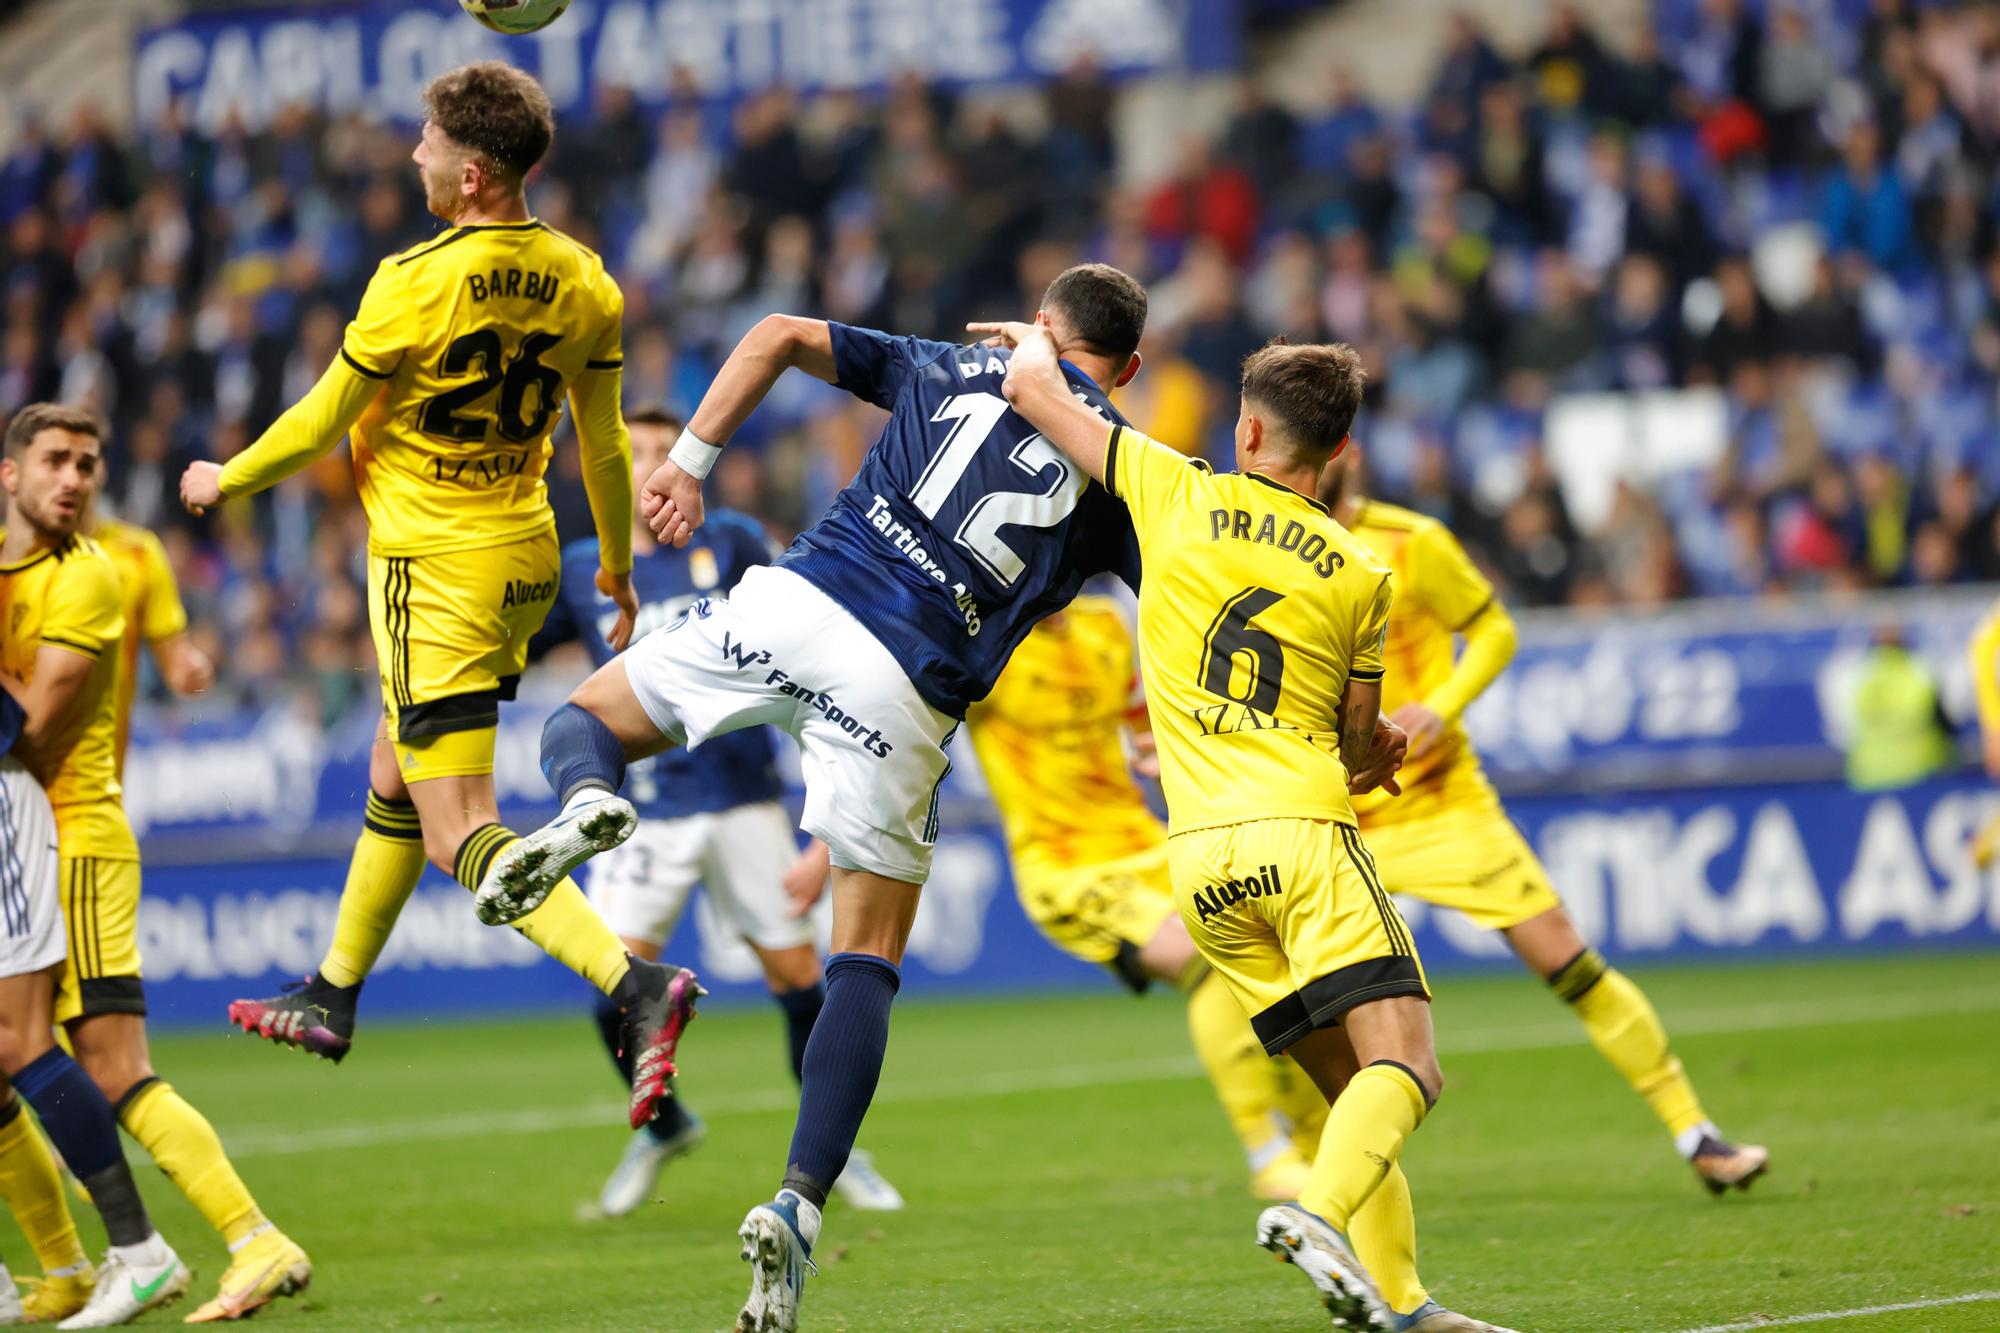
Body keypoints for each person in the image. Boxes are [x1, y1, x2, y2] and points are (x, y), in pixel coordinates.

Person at [496, 264, 1152, 1333]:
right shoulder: (1121, 465)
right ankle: (799, 1202)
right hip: (903, 690)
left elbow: (773, 333)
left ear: (1037, 324)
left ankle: (586, 805)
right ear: (1124, 368)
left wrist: (692, 465)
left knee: (586, 720)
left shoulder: (957, 363)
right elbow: (1177, 585)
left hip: (803, 600)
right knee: (862, 958)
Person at [178, 63, 701, 1134]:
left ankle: (633, 985)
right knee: (395, 766)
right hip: (522, 556)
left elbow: (326, 419)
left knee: (460, 824)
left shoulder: (410, 279)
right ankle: (332, 989)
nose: (410, 154)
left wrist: (225, 475)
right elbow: (600, 441)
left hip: (434, 570)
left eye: (424, 142)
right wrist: (612, 564)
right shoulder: (585, 280)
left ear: (470, 175)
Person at [988, 326, 1507, 1331]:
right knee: (1408, 1065)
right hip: (1302, 837)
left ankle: (1403, 1305)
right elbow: (1359, 751)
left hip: (1200, 866)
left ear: (1247, 428)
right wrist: (1382, 749)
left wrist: (1031, 341)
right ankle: (1313, 1214)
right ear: (1341, 452)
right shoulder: (1361, 574)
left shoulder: (1170, 487)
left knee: (1345, 1091)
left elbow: (1030, 390)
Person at [1327, 465, 1770, 1194]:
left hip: (1443, 805)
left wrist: (1442, 705)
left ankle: (1698, 1132)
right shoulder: (1272, 541)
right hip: (1335, 816)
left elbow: (1493, 628)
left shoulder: (1412, 541)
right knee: (1302, 1010)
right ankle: (1295, 1163)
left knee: (1568, 960)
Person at [531, 407, 903, 1218]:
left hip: (742, 805)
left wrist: (818, 831)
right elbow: (517, 649)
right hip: (644, 817)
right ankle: (663, 1127)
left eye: (668, 448)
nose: (655, 462)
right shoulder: (585, 565)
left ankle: (834, 1152)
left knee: (801, 980)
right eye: (636, 452)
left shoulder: (731, 540)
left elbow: (810, 663)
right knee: (614, 989)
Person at [0, 403, 277, 1323]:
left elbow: (24, 728)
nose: (74, 477)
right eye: (55, 461)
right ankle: (70, 1266)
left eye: (88, 463)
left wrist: (188, 660)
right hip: (28, 834)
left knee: (105, 1063)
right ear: (12, 473)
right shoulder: (12, 570)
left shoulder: (94, 576)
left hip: (71, 832)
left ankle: (242, 1238)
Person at [965, 598, 1328, 1200]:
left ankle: (1319, 1149)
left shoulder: (1105, 622)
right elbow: (913, 736)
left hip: (1145, 840)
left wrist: (1151, 748)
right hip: (1067, 867)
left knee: (1282, 954)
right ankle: (1267, 1153)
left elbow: (1138, 713)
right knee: (1206, 957)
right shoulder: (986, 647)